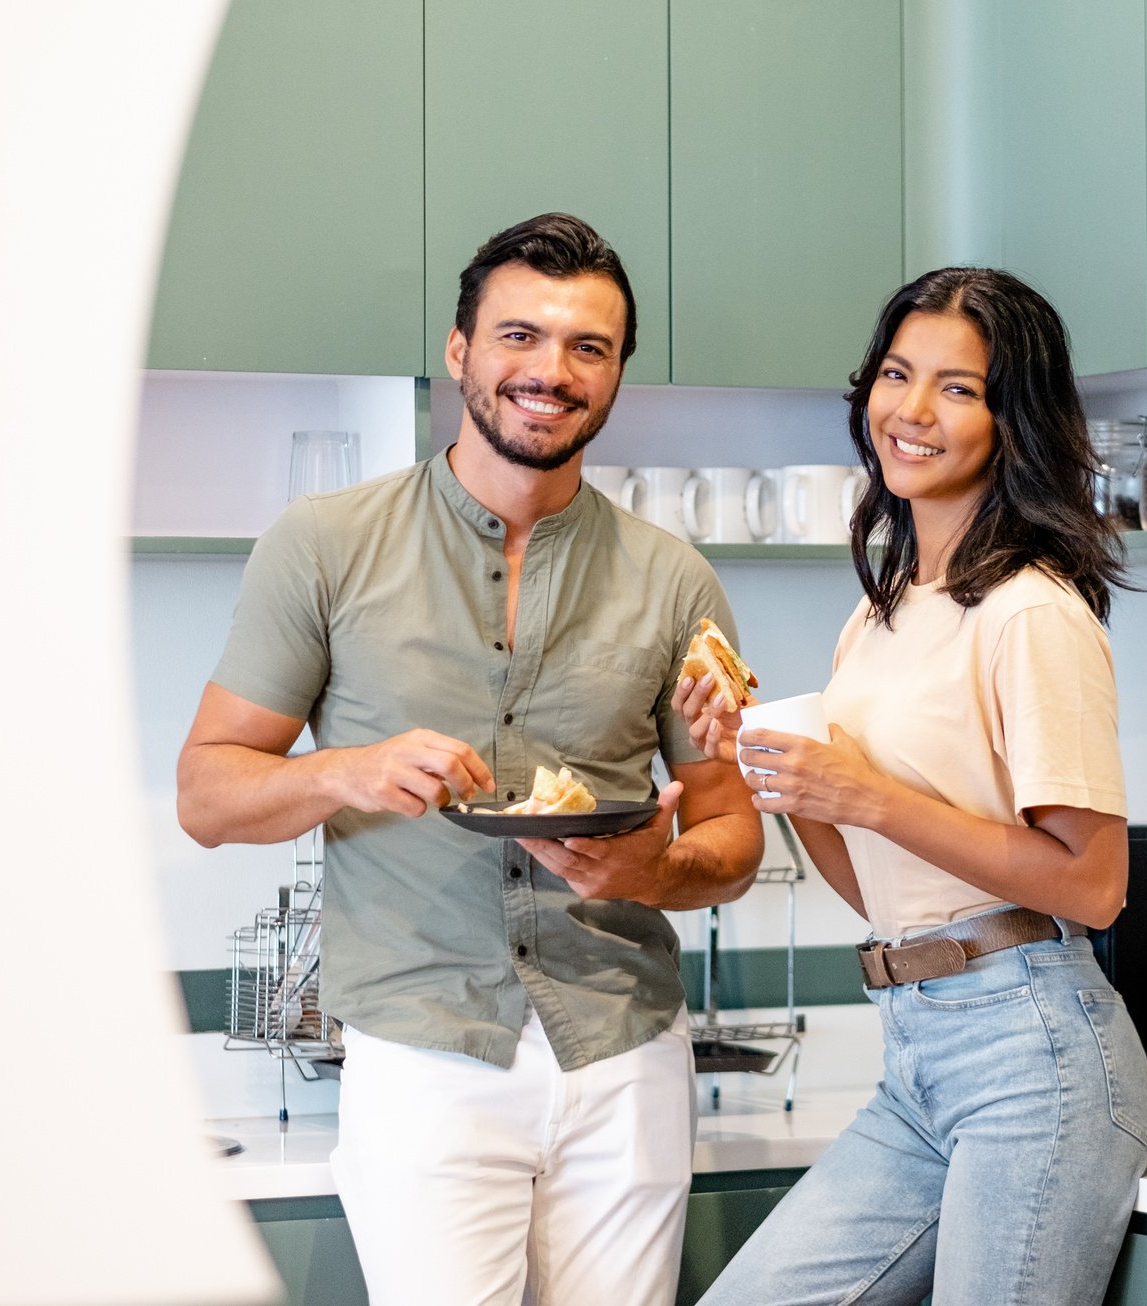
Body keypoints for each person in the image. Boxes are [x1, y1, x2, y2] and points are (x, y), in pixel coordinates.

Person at [176, 213, 763, 1306]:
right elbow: (207, 792)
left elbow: (731, 837)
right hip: (425, 1057)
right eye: (520, 336)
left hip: (625, 1055)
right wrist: (345, 772)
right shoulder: (324, 544)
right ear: (460, 353)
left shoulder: (675, 580)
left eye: (589, 347)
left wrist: (653, 871)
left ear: (618, 373)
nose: (551, 370)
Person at [678, 266, 1147, 1305]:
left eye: (958, 387)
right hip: (916, 1051)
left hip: (1038, 1061)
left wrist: (862, 794)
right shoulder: (880, 616)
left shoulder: (1033, 612)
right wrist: (767, 768)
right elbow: (880, 888)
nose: (912, 409)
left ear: (1012, 420)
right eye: (898, 374)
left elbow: (1094, 884)